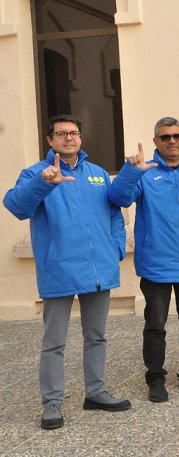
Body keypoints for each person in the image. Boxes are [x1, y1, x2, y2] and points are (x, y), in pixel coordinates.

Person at [4, 114, 130, 430]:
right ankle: (52, 404)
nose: (69, 138)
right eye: (61, 133)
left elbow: (115, 213)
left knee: (96, 336)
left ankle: (96, 392)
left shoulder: (99, 174)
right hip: (59, 267)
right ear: (50, 140)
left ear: (80, 138)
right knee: (54, 341)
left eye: (73, 133)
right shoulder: (37, 173)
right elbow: (17, 206)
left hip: (98, 267)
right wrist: (43, 184)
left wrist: (114, 247)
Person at [108, 117, 179, 402]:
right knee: (155, 324)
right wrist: (130, 171)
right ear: (156, 141)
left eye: (177, 136)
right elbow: (118, 197)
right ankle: (155, 377)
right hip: (156, 262)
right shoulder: (145, 172)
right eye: (165, 137)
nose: (172, 141)